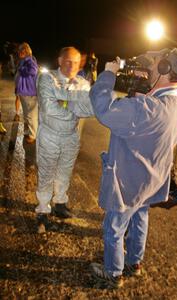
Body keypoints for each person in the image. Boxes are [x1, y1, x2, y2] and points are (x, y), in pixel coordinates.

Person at [88, 48, 177, 288]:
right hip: (153, 180)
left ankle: (113, 273)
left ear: (164, 68)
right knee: (140, 217)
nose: (150, 68)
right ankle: (134, 262)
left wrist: (108, 75)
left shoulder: (146, 108)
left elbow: (103, 109)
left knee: (114, 226)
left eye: (154, 64)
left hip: (130, 181)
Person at [35, 46, 93, 231]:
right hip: (49, 135)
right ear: (60, 60)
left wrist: (62, 99)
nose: (72, 66)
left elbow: (89, 109)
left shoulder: (83, 83)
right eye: (68, 61)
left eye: (76, 62)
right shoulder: (47, 78)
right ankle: (43, 210)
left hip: (71, 136)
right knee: (46, 173)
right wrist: (74, 108)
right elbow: (48, 108)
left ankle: (60, 203)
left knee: (64, 172)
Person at [15, 42, 38, 143]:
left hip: (29, 93)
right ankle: (30, 131)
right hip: (24, 92)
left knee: (31, 115)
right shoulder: (24, 60)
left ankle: (33, 135)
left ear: (25, 51)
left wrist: (21, 69)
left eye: (21, 51)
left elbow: (33, 70)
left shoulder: (30, 60)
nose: (19, 53)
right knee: (27, 114)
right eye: (19, 51)